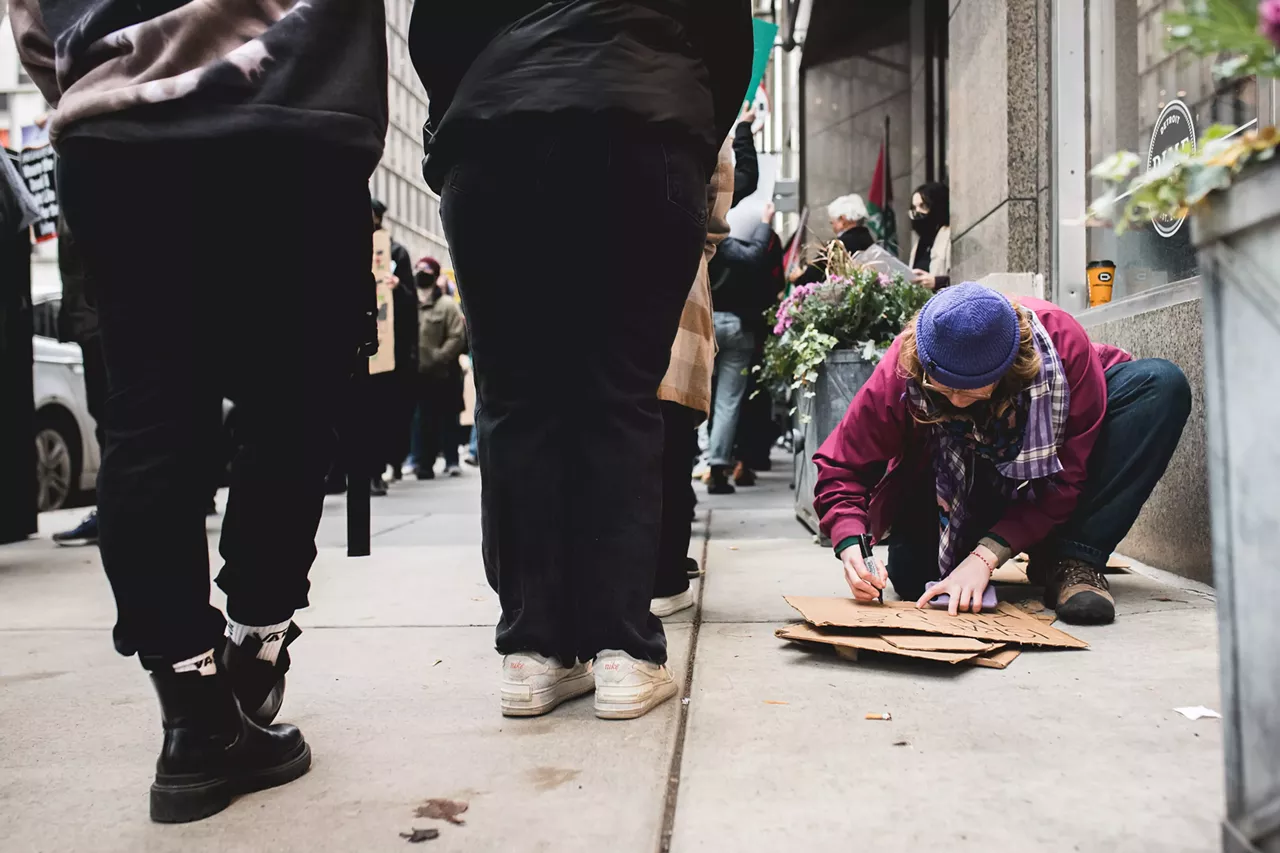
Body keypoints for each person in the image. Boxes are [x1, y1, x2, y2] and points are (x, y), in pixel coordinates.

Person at [12, 0, 388, 823]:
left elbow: (34, 29)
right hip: (285, 113)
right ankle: (253, 650)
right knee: (290, 405)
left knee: (150, 416)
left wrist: (106, 80)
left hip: (118, 133)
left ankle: (192, 712)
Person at [411, 0, 752, 720]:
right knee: (623, 396)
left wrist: (479, 100)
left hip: (496, 129)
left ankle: (532, 652)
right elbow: (728, 39)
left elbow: (433, 32)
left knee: (513, 400)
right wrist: (684, 120)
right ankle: (623, 652)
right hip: (646, 124)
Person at [813, 283, 1191, 626]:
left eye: (972, 391)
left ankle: (1072, 557)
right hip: (958, 477)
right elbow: (841, 467)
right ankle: (1012, 540)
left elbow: (1067, 479)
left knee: (1161, 386)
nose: (957, 401)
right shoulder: (905, 363)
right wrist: (851, 544)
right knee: (914, 578)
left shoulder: (1060, 343)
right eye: (943, 388)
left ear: (1010, 369)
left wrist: (984, 558)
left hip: (1044, 466)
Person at [654, 135, 735, 617]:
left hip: (598, 285)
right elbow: (717, 195)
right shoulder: (694, 88)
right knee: (669, 433)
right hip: (675, 278)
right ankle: (662, 573)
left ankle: (646, 573)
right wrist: (697, 247)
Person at [705, 201, 777, 494]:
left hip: (705, 325)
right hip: (736, 328)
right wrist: (765, 222)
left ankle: (694, 462)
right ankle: (717, 467)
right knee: (727, 402)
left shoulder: (703, 239)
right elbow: (756, 257)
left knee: (696, 399)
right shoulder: (727, 245)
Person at [370, 199, 420, 493]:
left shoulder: (396, 252)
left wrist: (397, 287)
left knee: (380, 412)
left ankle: (378, 469)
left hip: (386, 349)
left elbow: (409, 299)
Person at [414, 257, 467, 480]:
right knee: (423, 420)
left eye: (426, 269)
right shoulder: (410, 301)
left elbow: (457, 336)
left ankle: (452, 460)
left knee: (448, 418)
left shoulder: (446, 305)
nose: (420, 272)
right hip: (419, 374)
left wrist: (439, 356)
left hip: (444, 373)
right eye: (418, 269)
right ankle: (423, 464)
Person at [790, 194, 876, 285]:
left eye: (832, 223)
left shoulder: (838, 246)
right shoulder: (869, 240)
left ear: (842, 220)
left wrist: (798, 277)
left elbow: (811, 278)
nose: (833, 228)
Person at [909, 182, 952, 291]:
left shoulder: (948, 235)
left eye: (923, 206)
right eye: (914, 208)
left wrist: (936, 282)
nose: (917, 212)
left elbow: (963, 275)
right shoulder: (918, 245)